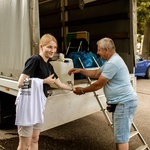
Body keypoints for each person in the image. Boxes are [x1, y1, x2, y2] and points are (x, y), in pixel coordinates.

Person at [68, 37, 138, 150]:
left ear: (106, 49)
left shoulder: (113, 63)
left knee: (121, 138)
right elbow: (96, 73)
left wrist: (82, 90)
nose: (97, 52)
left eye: (99, 50)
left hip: (124, 103)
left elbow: (98, 84)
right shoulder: (111, 61)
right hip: (122, 103)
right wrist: (80, 70)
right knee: (120, 136)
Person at [16, 34, 73, 150]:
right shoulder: (35, 60)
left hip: (38, 106)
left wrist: (74, 89)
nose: (52, 50)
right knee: (24, 145)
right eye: (49, 47)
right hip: (28, 107)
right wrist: (43, 81)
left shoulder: (49, 66)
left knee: (35, 139)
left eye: (54, 48)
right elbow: (21, 83)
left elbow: (59, 83)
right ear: (41, 47)